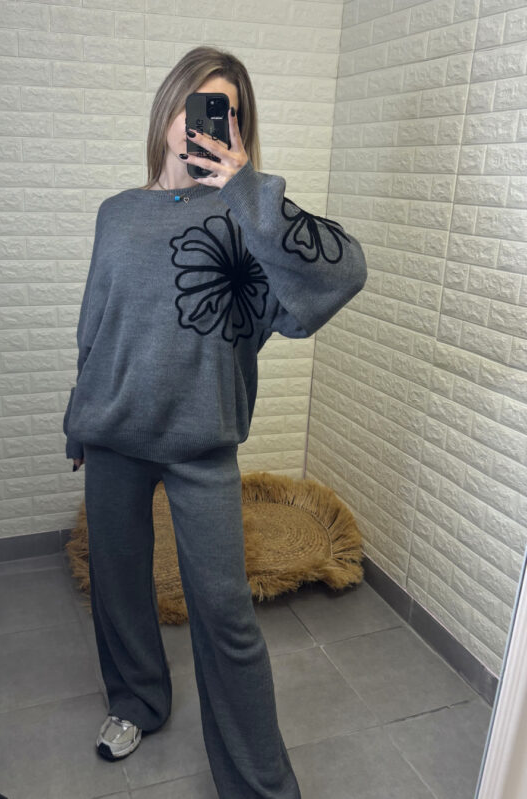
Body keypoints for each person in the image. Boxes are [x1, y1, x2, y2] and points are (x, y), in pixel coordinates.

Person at [63, 45, 367, 799]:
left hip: (202, 443)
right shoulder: (115, 213)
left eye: (223, 112)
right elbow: (95, 325)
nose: (202, 121)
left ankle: (260, 784)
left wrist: (249, 189)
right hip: (114, 435)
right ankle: (138, 702)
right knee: (119, 587)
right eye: (194, 103)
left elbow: (343, 270)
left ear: (238, 127)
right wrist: (78, 420)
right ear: (168, 111)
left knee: (226, 615)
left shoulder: (245, 216)